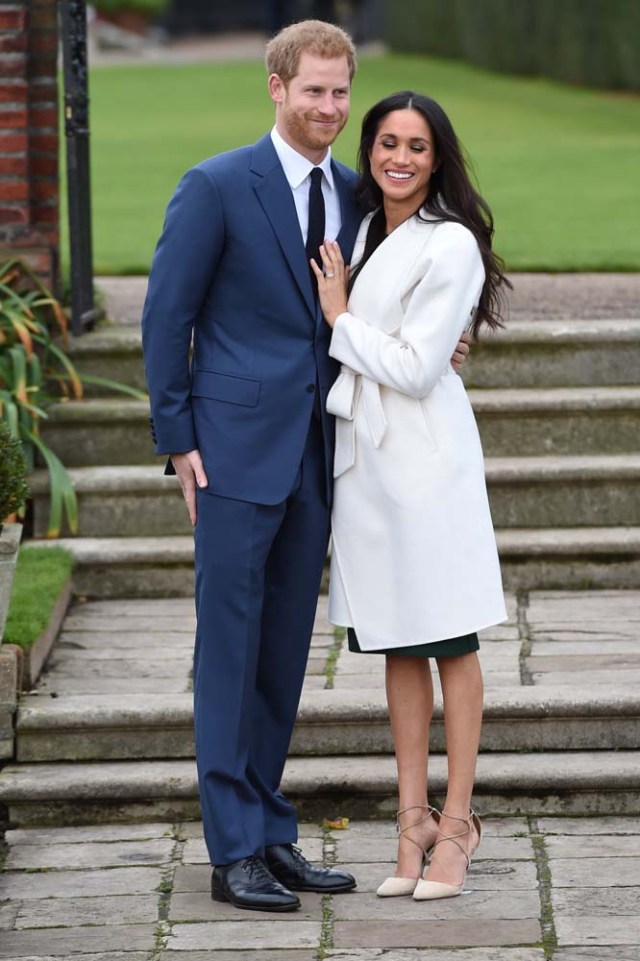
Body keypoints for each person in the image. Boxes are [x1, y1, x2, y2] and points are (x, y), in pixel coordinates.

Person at [141, 23, 470, 914]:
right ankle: (232, 847)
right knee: (229, 652)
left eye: (340, 93)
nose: (328, 108)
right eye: (312, 90)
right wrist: (178, 438)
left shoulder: (363, 196)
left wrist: (444, 340)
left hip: (327, 459)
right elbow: (166, 316)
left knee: (284, 651)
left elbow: (401, 293)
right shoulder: (215, 186)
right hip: (234, 455)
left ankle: (272, 829)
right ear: (276, 87)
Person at [312, 91, 509, 902]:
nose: (399, 158)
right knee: (394, 641)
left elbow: (421, 366)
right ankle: (411, 817)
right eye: (386, 142)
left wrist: (340, 318)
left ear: (438, 159)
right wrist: (358, 328)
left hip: (426, 461)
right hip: (365, 464)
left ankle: (458, 823)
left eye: (417, 146)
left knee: (450, 639)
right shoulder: (360, 228)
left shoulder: (451, 241)